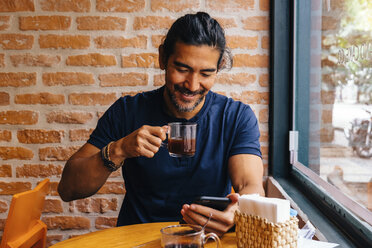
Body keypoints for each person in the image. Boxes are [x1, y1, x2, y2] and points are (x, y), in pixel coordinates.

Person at [58, 11, 265, 237]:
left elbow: (251, 186)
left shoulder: (235, 116)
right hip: (137, 240)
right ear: (162, 58)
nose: (192, 85)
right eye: (182, 69)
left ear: (219, 67)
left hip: (206, 239)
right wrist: (119, 149)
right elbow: (68, 189)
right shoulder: (127, 111)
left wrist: (239, 211)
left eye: (206, 73)